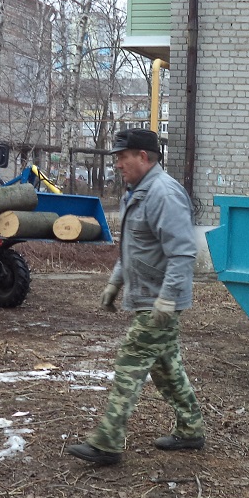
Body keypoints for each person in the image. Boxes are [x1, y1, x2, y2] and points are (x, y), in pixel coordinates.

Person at [66, 127, 206, 466]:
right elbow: (135, 246)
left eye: (122, 157)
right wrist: (116, 282)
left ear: (143, 157)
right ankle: (191, 429)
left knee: (130, 361)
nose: (117, 164)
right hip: (147, 296)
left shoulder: (163, 193)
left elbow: (184, 252)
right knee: (165, 367)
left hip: (159, 300)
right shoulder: (137, 191)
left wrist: (168, 299)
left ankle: (108, 441)